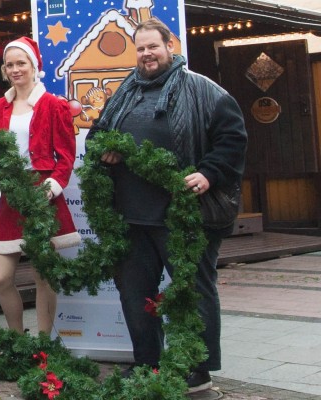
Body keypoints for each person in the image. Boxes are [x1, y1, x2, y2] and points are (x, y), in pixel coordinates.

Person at [86, 18, 247, 394]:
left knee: (194, 291)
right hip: (130, 215)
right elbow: (97, 136)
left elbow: (233, 138)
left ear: (169, 45)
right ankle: (148, 362)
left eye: (152, 47)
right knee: (135, 293)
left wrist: (209, 173)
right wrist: (104, 150)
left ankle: (198, 368)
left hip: (185, 214)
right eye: (140, 49)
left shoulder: (204, 90)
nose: (146, 55)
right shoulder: (125, 91)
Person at [0, 37, 81, 336]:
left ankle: (43, 345)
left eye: (21, 63)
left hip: (43, 194)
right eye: (10, 64)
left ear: (34, 66)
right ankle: (17, 340)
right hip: (12, 193)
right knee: (2, 277)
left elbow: (66, 156)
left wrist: (51, 187)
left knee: (44, 276)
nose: (15, 69)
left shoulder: (54, 105)